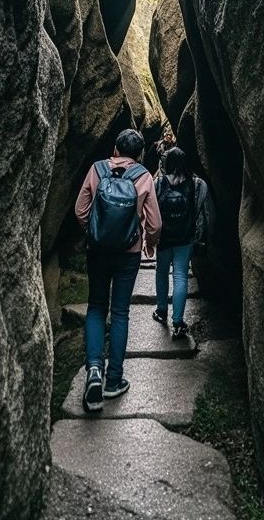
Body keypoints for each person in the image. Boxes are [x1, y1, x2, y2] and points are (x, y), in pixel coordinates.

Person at [75, 128, 161, 412]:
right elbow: (155, 224)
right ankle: (114, 380)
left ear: (114, 148)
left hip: (98, 252)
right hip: (128, 254)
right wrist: (148, 242)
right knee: (121, 311)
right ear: (139, 155)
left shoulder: (97, 169)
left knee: (97, 306)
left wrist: (94, 232)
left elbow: (80, 210)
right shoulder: (144, 176)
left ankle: (94, 372)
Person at [152, 147, 209, 339]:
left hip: (164, 238)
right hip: (185, 238)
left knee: (161, 271)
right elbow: (202, 211)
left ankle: (161, 310)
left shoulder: (158, 183)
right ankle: (178, 322)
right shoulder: (198, 184)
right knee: (180, 276)